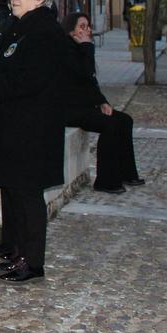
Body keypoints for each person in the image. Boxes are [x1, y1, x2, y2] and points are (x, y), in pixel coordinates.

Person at [0, 0, 71, 283]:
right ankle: (18, 252)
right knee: (14, 192)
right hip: (12, 125)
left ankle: (33, 261)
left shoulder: (44, 32)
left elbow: (27, 80)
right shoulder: (18, 27)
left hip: (32, 130)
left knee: (28, 197)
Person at [61, 11, 143, 195]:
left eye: (88, 26)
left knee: (125, 120)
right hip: (69, 109)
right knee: (110, 125)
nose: (86, 31)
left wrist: (102, 101)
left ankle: (127, 174)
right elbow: (82, 73)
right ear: (70, 30)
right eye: (81, 27)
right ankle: (106, 181)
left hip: (85, 106)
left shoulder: (81, 47)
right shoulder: (65, 49)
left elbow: (90, 81)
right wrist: (87, 47)